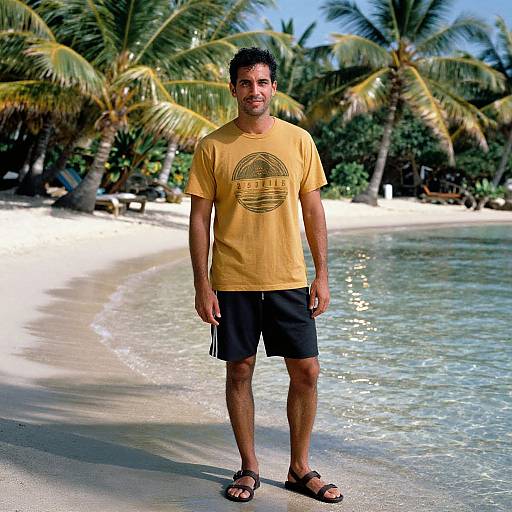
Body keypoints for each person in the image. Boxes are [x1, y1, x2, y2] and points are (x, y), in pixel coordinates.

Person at [185, 47, 343, 504]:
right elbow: (200, 220)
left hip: (289, 277)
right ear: (232, 88)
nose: (254, 90)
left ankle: (298, 468)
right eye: (245, 82)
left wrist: (322, 275)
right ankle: (249, 466)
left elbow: (313, 210)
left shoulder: (298, 141)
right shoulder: (213, 145)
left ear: (273, 87)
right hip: (233, 279)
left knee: (307, 372)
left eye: (262, 82)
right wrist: (202, 284)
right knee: (240, 370)